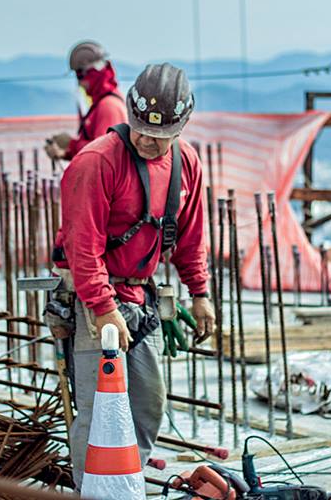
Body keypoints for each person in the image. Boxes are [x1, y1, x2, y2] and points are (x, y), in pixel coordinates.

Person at [53, 63, 215, 489]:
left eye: (159, 134)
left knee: (146, 405)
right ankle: (93, 489)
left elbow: (191, 236)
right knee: (97, 409)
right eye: (140, 127)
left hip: (140, 298)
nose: (146, 139)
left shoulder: (187, 165)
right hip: (96, 299)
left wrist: (200, 292)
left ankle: (125, 483)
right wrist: (103, 309)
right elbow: (82, 247)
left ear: (181, 126)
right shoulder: (96, 162)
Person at [45, 40, 127, 161]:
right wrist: (66, 152)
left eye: (79, 76)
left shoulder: (108, 106)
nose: (79, 83)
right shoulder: (103, 103)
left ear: (92, 74)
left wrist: (71, 144)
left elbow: (102, 153)